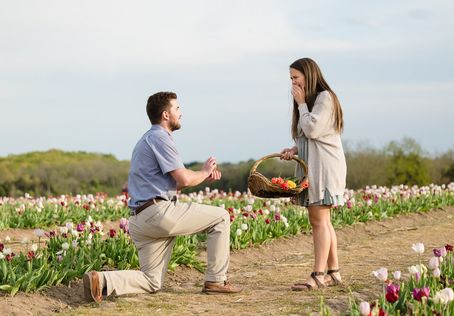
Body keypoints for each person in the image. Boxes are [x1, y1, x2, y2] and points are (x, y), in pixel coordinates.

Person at [83, 91, 242, 303]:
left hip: (141, 219)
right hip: (158, 214)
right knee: (221, 217)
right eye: (177, 109)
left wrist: (201, 178)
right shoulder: (161, 137)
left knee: (151, 281)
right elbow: (183, 179)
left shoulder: (145, 141)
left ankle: (100, 281)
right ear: (166, 115)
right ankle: (216, 281)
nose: (181, 113)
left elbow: (172, 185)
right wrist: (204, 172)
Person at [280, 58, 346, 291]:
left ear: (309, 75)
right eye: (291, 78)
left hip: (324, 168)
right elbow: (311, 136)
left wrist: (300, 104)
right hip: (317, 165)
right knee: (323, 221)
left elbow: (312, 128)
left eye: (296, 77)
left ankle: (318, 274)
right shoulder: (314, 101)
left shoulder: (325, 98)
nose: (293, 83)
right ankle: (334, 273)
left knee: (318, 221)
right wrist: (294, 149)